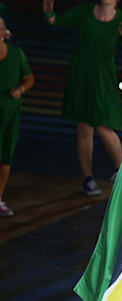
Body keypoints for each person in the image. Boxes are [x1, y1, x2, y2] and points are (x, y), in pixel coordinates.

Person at [43, 0, 122, 197]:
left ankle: (121, 171)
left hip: (104, 76)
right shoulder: (84, 11)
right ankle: (88, 178)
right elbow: (55, 20)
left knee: (105, 125)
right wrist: (48, 12)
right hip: (81, 74)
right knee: (84, 126)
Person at [0, 8, 34, 217]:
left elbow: (29, 78)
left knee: (4, 158)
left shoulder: (15, 53)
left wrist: (20, 90)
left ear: (5, 32)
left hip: (9, 112)